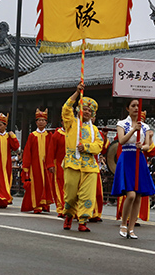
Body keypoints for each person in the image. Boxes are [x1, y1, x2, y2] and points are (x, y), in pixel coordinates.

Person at [111, 98, 155, 239]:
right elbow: (122, 140)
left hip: (139, 159)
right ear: (127, 108)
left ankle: (131, 228)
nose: (136, 108)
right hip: (127, 158)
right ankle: (123, 223)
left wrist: (142, 147)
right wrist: (133, 130)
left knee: (138, 196)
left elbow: (147, 145)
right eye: (133, 106)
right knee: (130, 194)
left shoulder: (145, 126)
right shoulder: (121, 123)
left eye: (138, 106)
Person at [60, 87, 104, 232]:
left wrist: (86, 147)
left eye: (89, 111)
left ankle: (83, 221)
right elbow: (66, 109)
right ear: (79, 110)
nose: (86, 112)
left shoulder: (95, 130)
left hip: (89, 166)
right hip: (72, 164)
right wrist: (77, 93)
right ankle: (68, 215)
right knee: (71, 195)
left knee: (87, 195)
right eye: (84, 109)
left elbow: (99, 145)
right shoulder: (71, 123)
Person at [21, 109, 54, 213]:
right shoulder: (32, 135)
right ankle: (36, 205)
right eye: (39, 120)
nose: (41, 122)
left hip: (46, 164)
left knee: (46, 184)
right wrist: (26, 166)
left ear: (46, 122)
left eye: (43, 120)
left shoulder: (49, 135)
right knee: (36, 185)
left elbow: (51, 150)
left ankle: (44, 204)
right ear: (36, 122)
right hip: (35, 165)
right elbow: (27, 152)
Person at [0, 113, 20, 208]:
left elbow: (15, 147)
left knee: (6, 180)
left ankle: (3, 198)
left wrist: (13, 137)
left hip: (7, 163)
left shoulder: (8, 136)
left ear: (5, 125)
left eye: (1, 125)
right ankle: (1, 199)